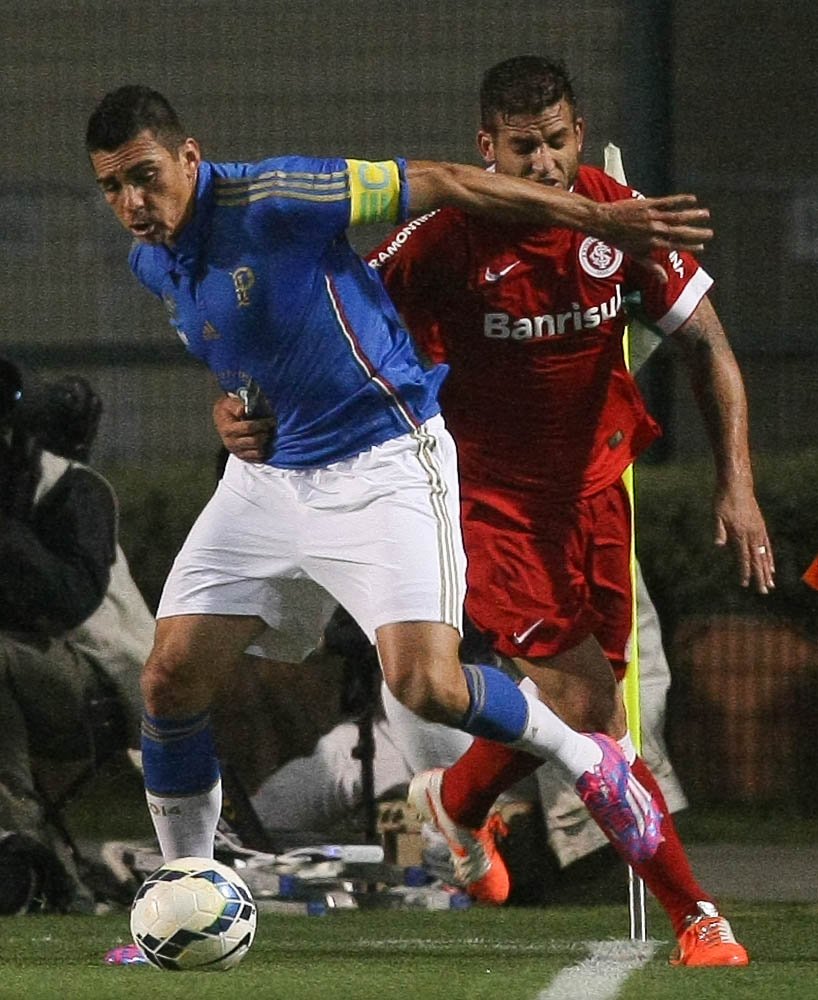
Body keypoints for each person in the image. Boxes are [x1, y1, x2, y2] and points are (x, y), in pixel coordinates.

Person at [84, 85, 714, 886]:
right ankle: (187, 894)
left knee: (427, 686)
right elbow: (246, 350)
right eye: (113, 187)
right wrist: (230, 412)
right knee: (168, 679)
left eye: (145, 175)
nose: (134, 201)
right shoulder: (152, 259)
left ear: (189, 157)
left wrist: (596, 219)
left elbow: (445, 181)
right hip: (272, 482)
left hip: (383, 462)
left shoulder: (278, 196)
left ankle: (583, 757)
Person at [357, 55, 773, 966]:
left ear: (578, 136)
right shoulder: (445, 232)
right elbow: (340, 317)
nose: (541, 164)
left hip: (597, 498)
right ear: (487, 148)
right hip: (492, 509)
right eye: (520, 147)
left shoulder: (618, 223)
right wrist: (259, 410)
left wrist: (734, 482)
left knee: (582, 701)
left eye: (554, 142)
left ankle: (454, 804)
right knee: (592, 709)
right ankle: (698, 915)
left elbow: (708, 345)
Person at [0, 364, 153, 913]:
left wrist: (9, 530)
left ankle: (16, 848)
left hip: (109, 688)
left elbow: (71, 600)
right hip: (31, 679)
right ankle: (36, 864)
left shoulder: (77, 488)